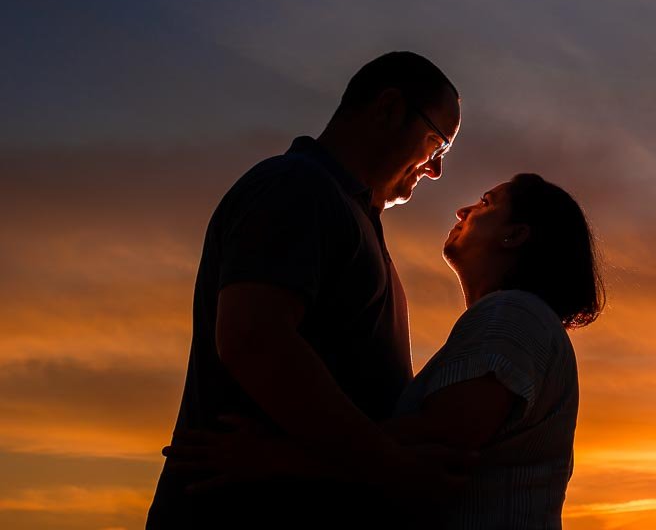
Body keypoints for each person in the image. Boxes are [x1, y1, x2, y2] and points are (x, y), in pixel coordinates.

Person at [164, 173, 605, 529]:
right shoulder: (510, 320)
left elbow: (440, 446)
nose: (464, 209)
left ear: (514, 236)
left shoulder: (512, 314)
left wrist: (275, 458)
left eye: (487, 202)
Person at [148, 51, 462, 528]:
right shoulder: (297, 187)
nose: (436, 169)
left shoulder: (349, 214)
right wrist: (396, 469)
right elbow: (255, 339)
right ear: (390, 109)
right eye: (436, 144)